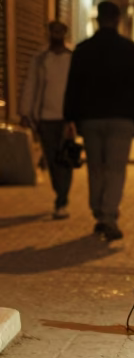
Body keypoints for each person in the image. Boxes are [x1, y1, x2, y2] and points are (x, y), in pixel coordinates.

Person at [63, 0, 134, 241]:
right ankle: (109, 216)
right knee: (115, 169)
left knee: (96, 168)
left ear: (97, 19)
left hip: (90, 118)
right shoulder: (130, 49)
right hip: (122, 118)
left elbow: (73, 87)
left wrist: (69, 117)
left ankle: (98, 211)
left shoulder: (83, 50)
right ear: (117, 20)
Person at [20, 20, 74, 218]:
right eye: (54, 31)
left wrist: (77, 117)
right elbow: (31, 84)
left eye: (61, 31)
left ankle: (62, 200)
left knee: (66, 159)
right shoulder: (40, 59)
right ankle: (59, 195)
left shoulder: (72, 58)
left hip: (67, 118)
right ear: (49, 33)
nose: (57, 34)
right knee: (52, 160)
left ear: (65, 34)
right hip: (45, 117)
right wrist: (26, 112)